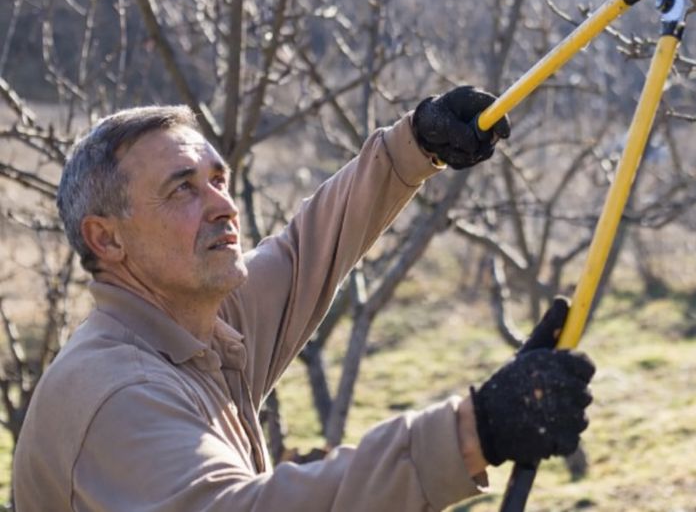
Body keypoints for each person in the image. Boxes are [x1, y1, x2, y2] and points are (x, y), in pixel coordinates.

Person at [12, 87, 595, 512]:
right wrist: (474, 432)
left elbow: (304, 252)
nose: (223, 205)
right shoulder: (118, 394)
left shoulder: (197, 326)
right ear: (106, 238)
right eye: (182, 188)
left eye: (218, 179)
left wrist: (415, 145)